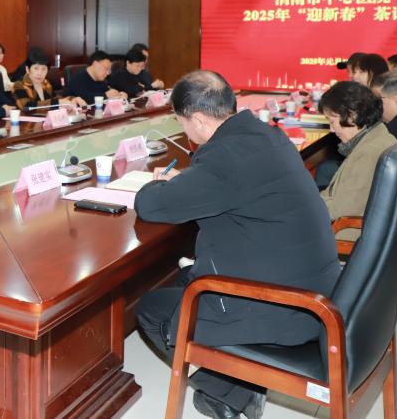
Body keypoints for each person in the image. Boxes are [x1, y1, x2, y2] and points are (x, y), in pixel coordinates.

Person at [134, 71, 340, 419]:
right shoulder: (265, 135)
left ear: (198, 119)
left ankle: (227, 393)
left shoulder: (224, 157)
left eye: (181, 121)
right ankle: (241, 384)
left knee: (151, 308)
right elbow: (229, 185)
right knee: (185, 281)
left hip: (283, 307)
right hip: (317, 290)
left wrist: (157, 184)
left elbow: (152, 206)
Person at [319, 81, 397, 225]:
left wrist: (303, 204)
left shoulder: (368, 153)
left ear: (351, 116)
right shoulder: (378, 134)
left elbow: (340, 210)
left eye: (332, 121)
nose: (331, 129)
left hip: (342, 233)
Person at [12, 53, 86, 111]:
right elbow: (26, 107)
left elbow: (56, 99)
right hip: (27, 124)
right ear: (27, 69)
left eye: (43, 69)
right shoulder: (19, 85)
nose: (40, 73)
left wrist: (72, 99)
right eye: (36, 68)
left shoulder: (46, 83)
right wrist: (57, 103)